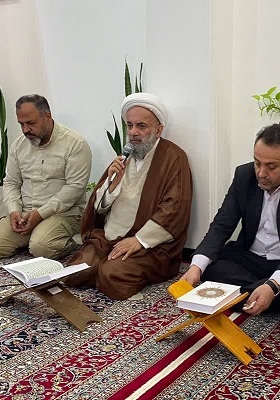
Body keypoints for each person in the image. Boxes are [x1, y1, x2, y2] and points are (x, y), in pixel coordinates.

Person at [181, 124, 280, 323]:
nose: (261, 173)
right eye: (257, 163)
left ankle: (252, 296)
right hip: (252, 258)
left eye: (271, 166)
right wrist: (195, 268)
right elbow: (222, 225)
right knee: (209, 268)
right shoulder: (244, 176)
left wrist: (273, 285)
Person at [63, 93, 193, 300]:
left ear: (158, 130)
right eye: (129, 125)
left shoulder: (173, 157)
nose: (133, 132)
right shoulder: (126, 155)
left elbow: (175, 208)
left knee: (112, 275)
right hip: (108, 237)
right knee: (75, 272)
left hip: (148, 244)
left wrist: (139, 240)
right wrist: (111, 185)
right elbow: (99, 208)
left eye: (141, 126)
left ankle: (105, 269)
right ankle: (100, 267)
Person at [0, 94, 92, 260]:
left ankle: (67, 243)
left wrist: (40, 214)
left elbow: (74, 188)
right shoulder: (18, 145)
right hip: (25, 213)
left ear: (47, 116)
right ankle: (32, 237)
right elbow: (11, 182)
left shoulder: (75, 144)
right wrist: (14, 211)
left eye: (31, 123)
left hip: (62, 213)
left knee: (42, 248)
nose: (26, 129)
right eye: (21, 124)